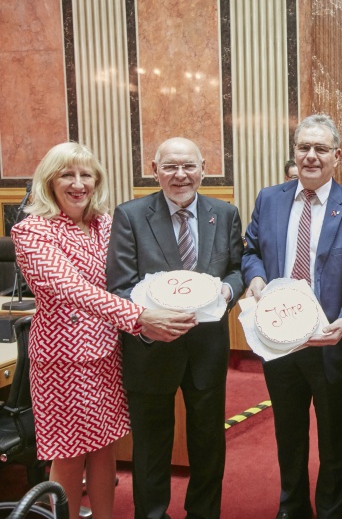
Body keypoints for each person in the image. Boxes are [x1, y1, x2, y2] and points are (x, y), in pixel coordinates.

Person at [11, 142, 195, 519]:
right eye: (67, 174)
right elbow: (73, 290)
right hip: (64, 361)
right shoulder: (32, 231)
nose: (78, 184)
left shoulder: (104, 223)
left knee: (104, 447)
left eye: (86, 175)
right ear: (49, 181)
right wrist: (140, 317)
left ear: (97, 180)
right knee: (69, 454)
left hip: (108, 353)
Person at [242, 114, 342, 519]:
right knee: (288, 434)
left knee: (335, 440)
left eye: (321, 149)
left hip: (330, 341)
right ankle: (292, 508)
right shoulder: (270, 198)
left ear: (337, 155)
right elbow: (250, 251)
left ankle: (331, 511)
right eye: (304, 148)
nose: (311, 156)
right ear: (294, 152)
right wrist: (256, 279)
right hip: (279, 340)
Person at [107, 137, 245, 519]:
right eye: (170, 166)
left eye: (188, 166)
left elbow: (236, 269)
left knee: (208, 444)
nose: (180, 175)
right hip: (149, 348)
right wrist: (147, 322)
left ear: (203, 168)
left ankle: (204, 513)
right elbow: (119, 285)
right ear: (155, 171)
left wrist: (227, 290)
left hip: (206, 350)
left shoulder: (225, 213)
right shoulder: (131, 216)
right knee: (151, 447)